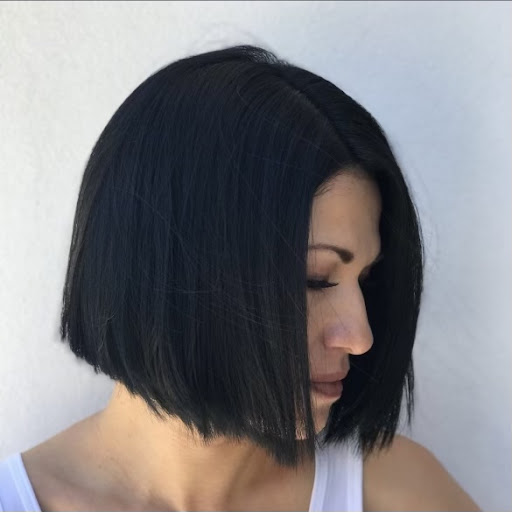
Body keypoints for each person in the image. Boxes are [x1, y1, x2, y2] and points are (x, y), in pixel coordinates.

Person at [0, 44, 481, 512]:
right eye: (315, 278)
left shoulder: (399, 493)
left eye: (367, 280)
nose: (360, 338)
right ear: (175, 270)